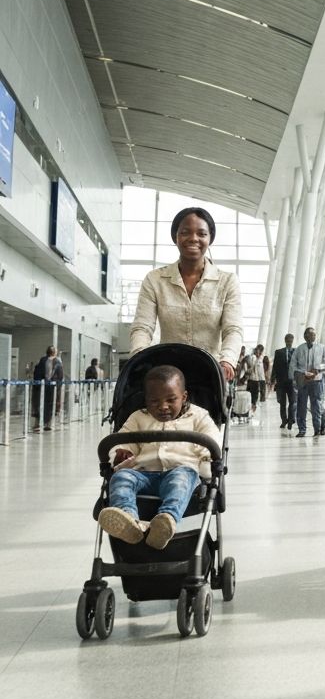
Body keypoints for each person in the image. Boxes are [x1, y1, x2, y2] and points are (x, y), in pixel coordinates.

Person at [98, 365, 219, 549]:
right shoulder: (138, 418)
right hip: (143, 474)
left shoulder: (198, 417)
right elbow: (122, 440)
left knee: (181, 478)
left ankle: (166, 520)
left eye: (171, 400)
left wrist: (207, 465)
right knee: (121, 477)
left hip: (179, 471)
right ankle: (129, 521)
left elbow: (211, 443)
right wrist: (120, 453)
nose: (163, 407)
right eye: (154, 402)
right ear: (146, 400)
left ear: (184, 397)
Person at [129, 206, 243, 382]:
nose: (193, 239)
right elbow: (142, 327)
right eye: (185, 232)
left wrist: (227, 360)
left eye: (202, 234)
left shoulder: (227, 281)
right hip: (166, 377)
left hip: (210, 375)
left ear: (210, 238)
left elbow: (233, 329)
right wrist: (140, 357)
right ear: (175, 236)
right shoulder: (155, 279)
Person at [293, 326, 325, 439]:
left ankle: (317, 429)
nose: (313, 336)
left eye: (314, 334)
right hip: (303, 381)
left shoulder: (321, 348)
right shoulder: (299, 349)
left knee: (317, 405)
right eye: (310, 335)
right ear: (305, 336)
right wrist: (302, 373)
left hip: (316, 381)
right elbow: (293, 365)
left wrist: (318, 368)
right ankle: (302, 430)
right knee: (301, 406)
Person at [31, 346, 64, 432]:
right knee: (51, 405)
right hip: (52, 388)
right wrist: (58, 386)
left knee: (39, 404)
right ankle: (48, 424)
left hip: (41, 387)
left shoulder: (42, 360)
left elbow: (37, 373)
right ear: (54, 352)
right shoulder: (58, 361)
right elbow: (60, 375)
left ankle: (37, 424)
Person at [270, 334, 297, 431]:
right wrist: (272, 380)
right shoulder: (278, 352)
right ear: (285, 340)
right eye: (288, 341)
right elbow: (275, 367)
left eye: (291, 341)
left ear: (293, 341)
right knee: (282, 403)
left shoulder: (296, 352)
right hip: (281, 382)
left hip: (292, 382)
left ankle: (291, 420)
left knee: (293, 402)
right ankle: (284, 420)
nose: (289, 342)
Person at [241, 343, 265, 417]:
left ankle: (251, 412)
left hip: (257, 381)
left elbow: (261, 373)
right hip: (251, 381)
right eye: (258, 351)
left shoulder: (260, 359)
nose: (259, 353)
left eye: (260, 351)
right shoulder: (252, 358)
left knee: (254, 398)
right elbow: (247, 369)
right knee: (250, 397)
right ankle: (249, 412)